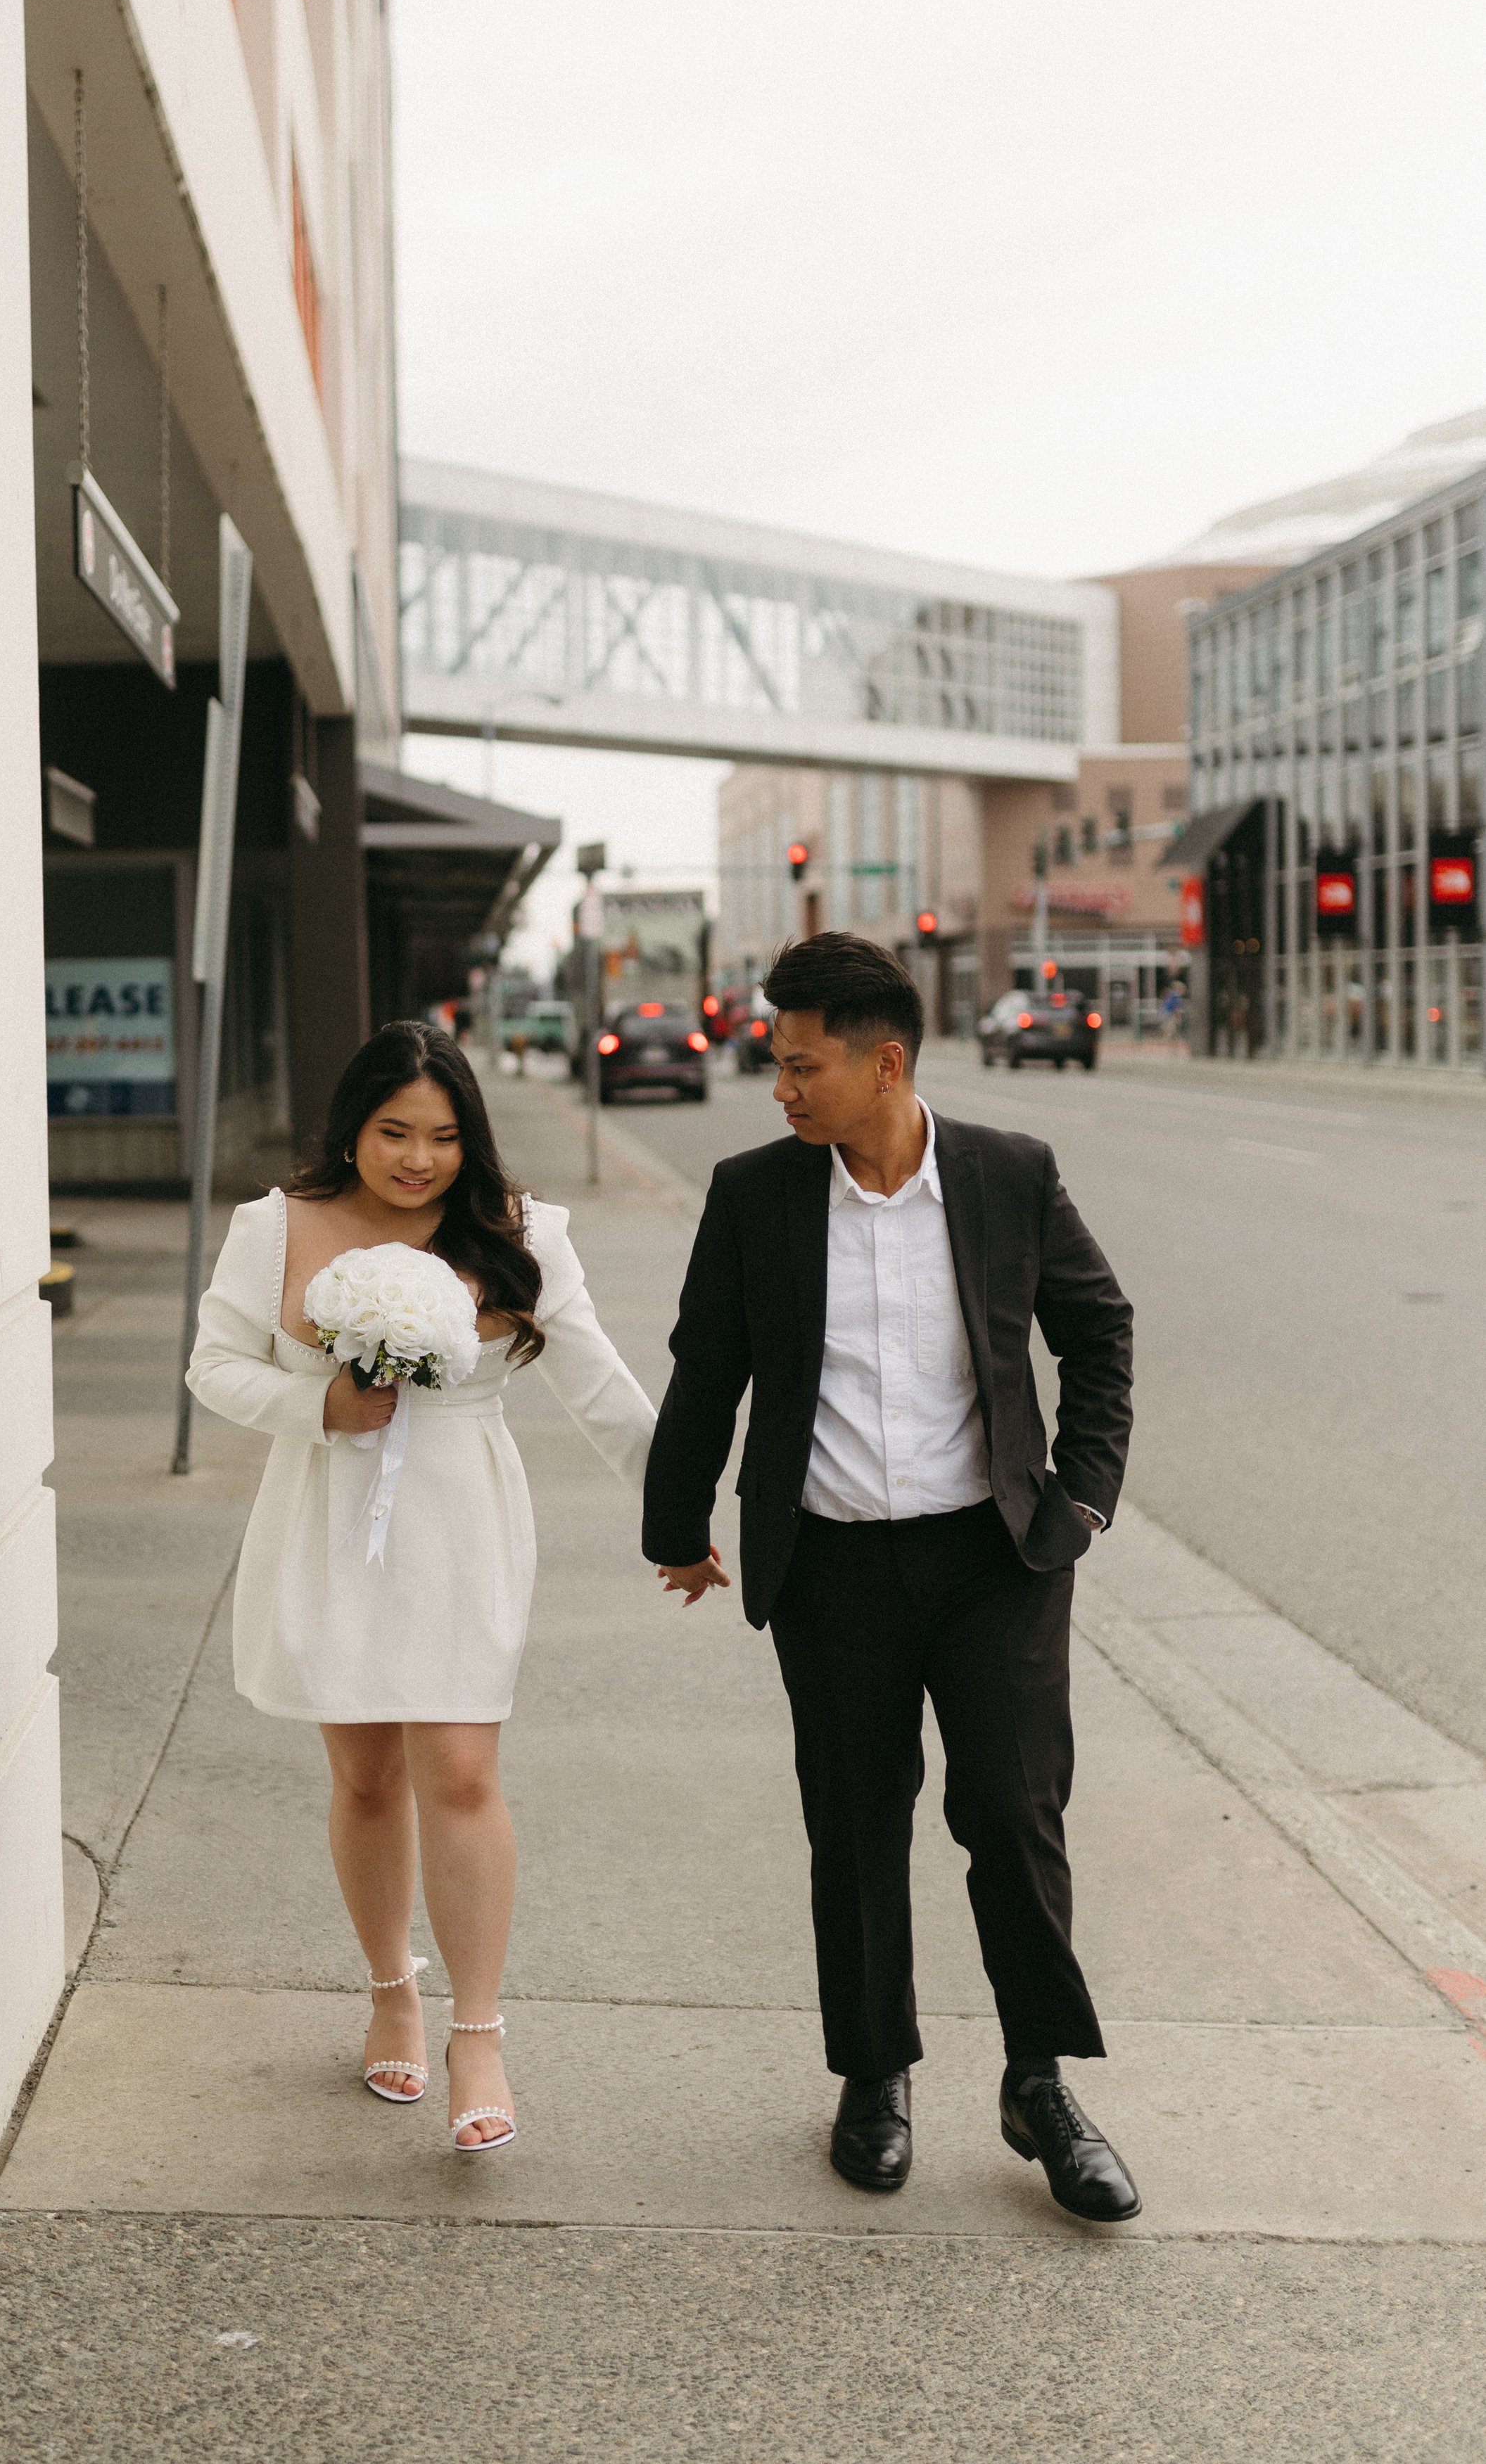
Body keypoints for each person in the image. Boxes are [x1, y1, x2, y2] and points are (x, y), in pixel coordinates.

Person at [642, 933, 1139, 2222]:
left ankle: (1040, 2081)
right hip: (836, 1568)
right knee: (856, 1827)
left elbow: (1101, 1329)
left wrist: (1080, 1497)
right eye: (776, 1061)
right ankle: (874, 2075)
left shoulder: (1007, 1176)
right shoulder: (756, 1193)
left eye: (802, 1064)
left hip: (996, 1559)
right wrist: (675, 1522)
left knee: (1016, 1818)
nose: (780, 1085)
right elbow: (709, 1369)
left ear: (886, 1061)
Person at [186, 1021, 654, 2153]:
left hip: (460, 1512)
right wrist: (321, 1407)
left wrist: (683, 1509)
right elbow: (215, 1366)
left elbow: (599, 1381)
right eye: (394, 1131)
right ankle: (392, 1986)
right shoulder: (275, 1225)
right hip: (327, 1509)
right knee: (364, 1775)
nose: (417, 1159)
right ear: (351, 1127)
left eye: (444, 1136)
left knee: (458, 1765)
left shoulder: (520, 1228)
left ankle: (477, 2030)